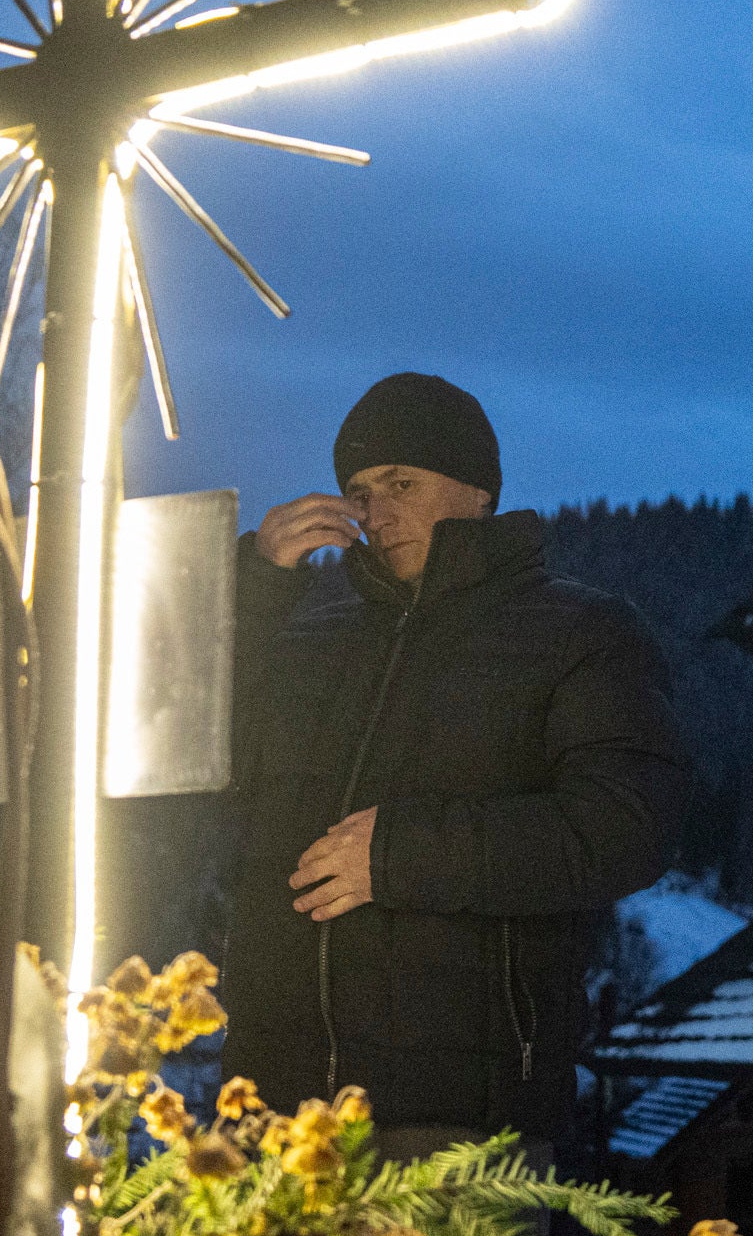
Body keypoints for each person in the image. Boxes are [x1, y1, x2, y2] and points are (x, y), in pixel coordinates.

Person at [220, 372, 690, 1165]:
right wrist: (257, 590)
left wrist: (404, 854)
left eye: (402, 481)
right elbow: (194, 767)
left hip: (458, 1128)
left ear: (478, 488)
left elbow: (627, 825)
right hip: (272, 1116)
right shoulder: (310, 638)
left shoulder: (578, 631)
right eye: (359, 490)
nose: (376, 510)